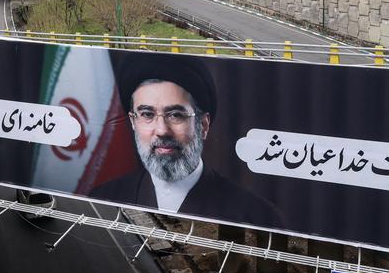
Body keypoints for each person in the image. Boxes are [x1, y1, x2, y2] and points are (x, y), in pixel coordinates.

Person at [90, 53, 279, 224]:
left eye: (175, 115)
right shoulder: (102, 198)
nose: (162, 130)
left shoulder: (256, 215)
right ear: (133, 122)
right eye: (147, 114)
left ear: (203, 125)